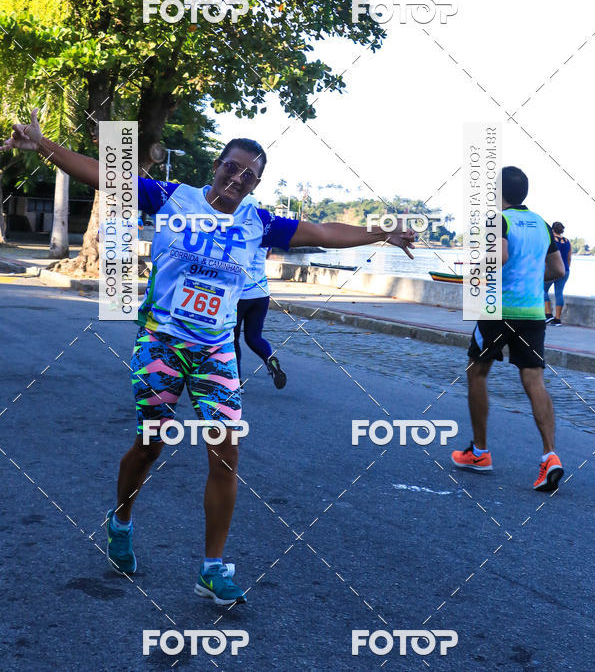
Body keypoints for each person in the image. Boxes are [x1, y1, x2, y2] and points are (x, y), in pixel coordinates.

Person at [2, 109, 416, 606]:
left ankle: (212, 568)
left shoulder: (258, 222)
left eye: (250, 176)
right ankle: (121, 520)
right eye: (232, 167)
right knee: (150, 446)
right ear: (217, 165)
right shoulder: (173, 197)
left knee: (227, 452)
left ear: (257, 184)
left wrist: (381, 233)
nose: (238, 179)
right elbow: (102, 174)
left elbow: (324, 233)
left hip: (217, 350)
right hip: (161, 343)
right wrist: (43, 146)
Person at [451, 166, 566, 492]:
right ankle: (550, 456)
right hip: (531, 314)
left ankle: (480, 453)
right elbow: (557, 269)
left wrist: (475, 272)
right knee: (534, 379)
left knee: (477, 372)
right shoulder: (542, 224)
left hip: (496, 310)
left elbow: (499, 256)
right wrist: (530, 279)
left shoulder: (498, 219)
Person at [233, 195, 285, 390]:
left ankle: (236, 382)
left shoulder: (236, 232)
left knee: (232, 338)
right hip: (261, 293)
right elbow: (268, 254)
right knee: (254, 337)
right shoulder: (264, 232)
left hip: (240, 294)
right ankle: (269, 360)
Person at [544, 221, 571, 325]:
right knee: (559, 293)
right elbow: (569, 258)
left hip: (552, 269)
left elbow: (546, 255)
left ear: (552, 229)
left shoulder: (550, 239)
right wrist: (565, 269)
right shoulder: (567, 241)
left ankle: (548, 315)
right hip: (565, 270)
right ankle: (557, 319)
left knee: (542, 290)